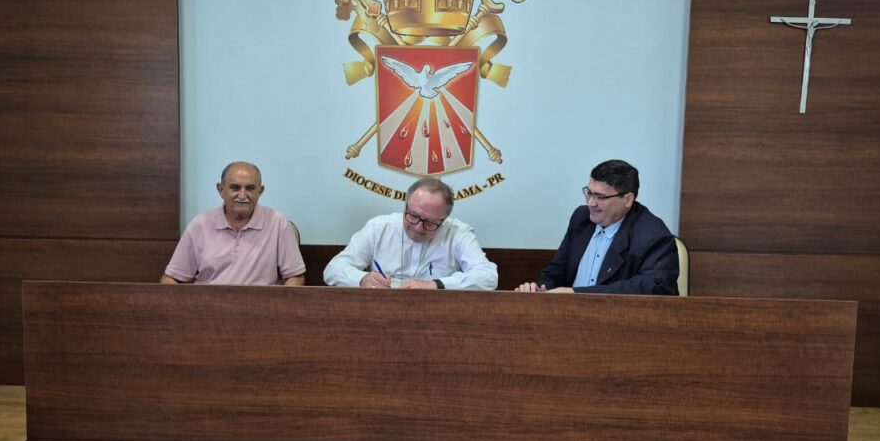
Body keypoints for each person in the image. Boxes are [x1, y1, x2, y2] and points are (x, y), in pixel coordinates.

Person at [515, 159, 678, 295]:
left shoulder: (652, 235)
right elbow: (555, 271)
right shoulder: (581, 217)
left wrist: (576, 294)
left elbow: (655, 287)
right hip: (567, 315)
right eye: (589, 193)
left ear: (628, 199)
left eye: (600, 197)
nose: (591, 203)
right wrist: (540, 290)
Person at [324, 177, 498, 290]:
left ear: (444, 219)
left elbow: (488, 276)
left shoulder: (458, 233)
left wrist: (436, 285)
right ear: (406, 204)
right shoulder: (378, 228)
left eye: (430, 222)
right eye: (413, 215)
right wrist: (362, 279)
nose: (418, 228)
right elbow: (333, 269)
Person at [161, 161, 305, 286]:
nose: (242, 195)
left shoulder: (277, 222)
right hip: (207, 305)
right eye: (235, 188)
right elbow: (172, 279)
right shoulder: (200, 225)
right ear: (221, 190)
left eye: (250, 188)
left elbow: (295, 277)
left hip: (260, 306)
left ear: (260, 191)